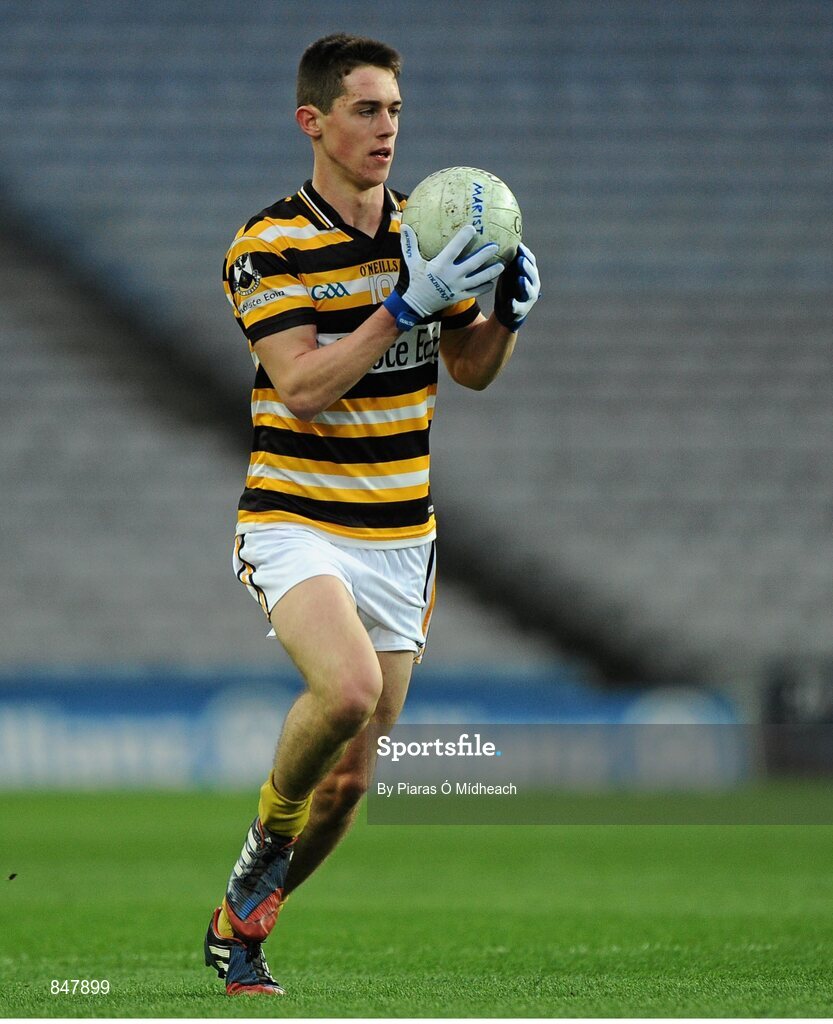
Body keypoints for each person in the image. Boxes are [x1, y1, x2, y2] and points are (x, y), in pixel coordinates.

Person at [203, 32, 540, 996]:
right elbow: (304, 387)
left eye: (393, 108)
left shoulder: (427, 228)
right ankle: (262, 845)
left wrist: (506, 317)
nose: (386, 127)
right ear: (311, 121)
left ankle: (239, 925)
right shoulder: (268, 246)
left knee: (349, 785)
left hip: (400, 535)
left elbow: (468, 370)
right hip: (296, 517)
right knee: (347, 690)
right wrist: (401, 307)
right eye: (364, 109)